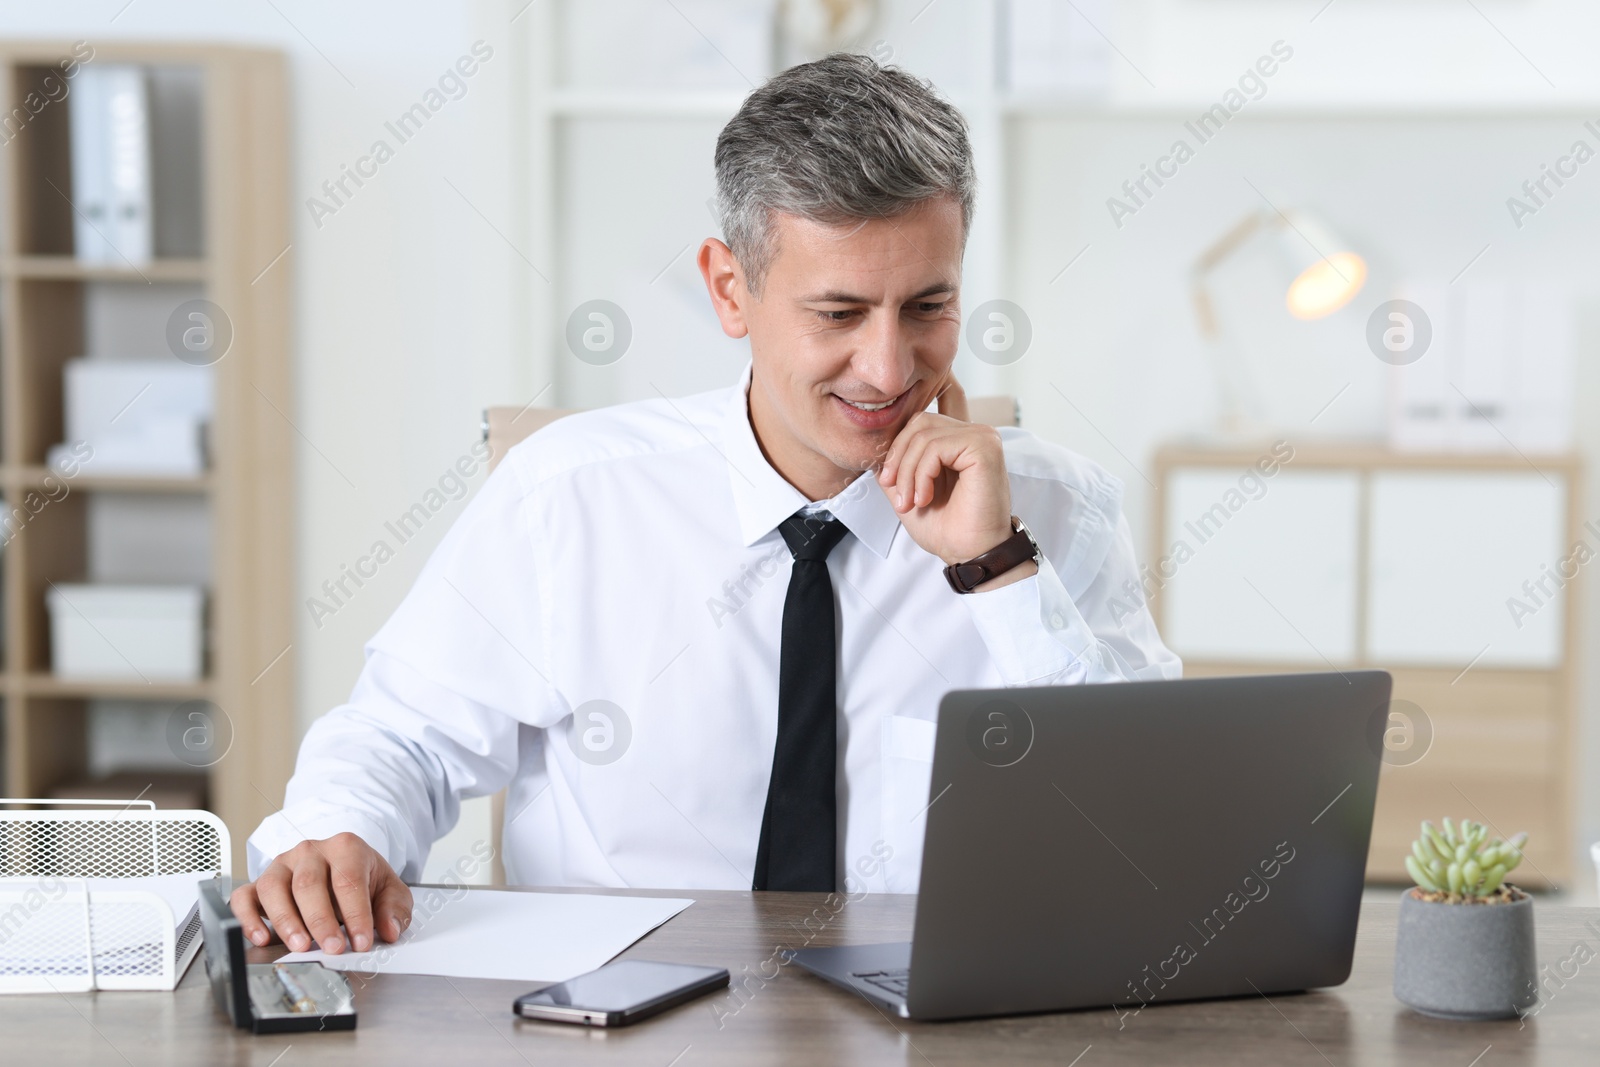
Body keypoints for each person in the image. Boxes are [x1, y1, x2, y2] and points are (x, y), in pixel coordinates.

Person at [231, 53, 1179, 957]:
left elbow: (1151, 839)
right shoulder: (567, 498)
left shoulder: (1054, 510)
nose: (891, 370)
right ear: (731, 289)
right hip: (612, 1021)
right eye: (839, 314)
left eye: (928, 307)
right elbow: (403, 737)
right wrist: (336, 833)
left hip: (929, 1027)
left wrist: (999, 572)